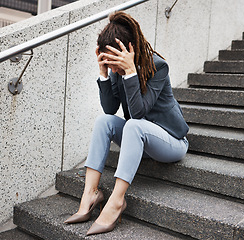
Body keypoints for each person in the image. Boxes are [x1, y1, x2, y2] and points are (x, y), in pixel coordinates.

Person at [64, 11, 189, 236]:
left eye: (114, 63)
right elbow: (110, 109)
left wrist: (130, 72)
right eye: (108, 64)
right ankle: (90, 194)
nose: (113, 69)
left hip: (171, 142)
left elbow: (139, 112)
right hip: (140, 140)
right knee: (104, 121)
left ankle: (117, 201)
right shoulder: (115, 69)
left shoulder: (158, 67)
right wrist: (104, 74)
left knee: (133, 124)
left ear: (128, 50)